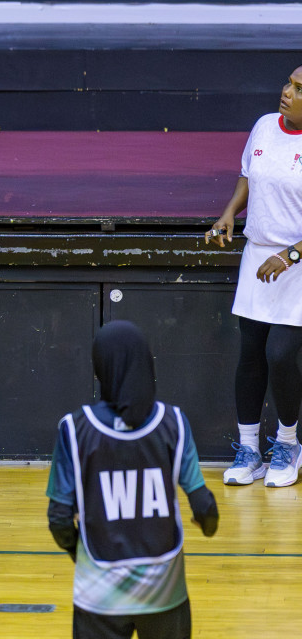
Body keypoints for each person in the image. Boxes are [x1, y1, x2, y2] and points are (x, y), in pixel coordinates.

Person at [45, 320, 218, 639]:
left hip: (99, 597)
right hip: (164, 593)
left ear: (99, 369)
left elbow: (58, 519)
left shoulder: (74, 428)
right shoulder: (174, 422)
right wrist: (207, 526)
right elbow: (205, 508)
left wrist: (79, 554)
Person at [206, 65, 302, 487]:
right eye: (288, 83)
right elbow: (249, 175)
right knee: (250, 355)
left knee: (280, 355)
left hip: (296, 264)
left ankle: (288, 443)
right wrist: (230, 213)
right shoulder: (264, 126)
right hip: (257, 256)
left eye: (299, 89)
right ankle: (249, 449)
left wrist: (290, 255)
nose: (287, 92)